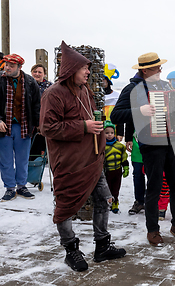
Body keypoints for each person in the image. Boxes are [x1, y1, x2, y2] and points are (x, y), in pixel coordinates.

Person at [40, 41, 125, 272]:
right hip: (69, 163)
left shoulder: (85, 91)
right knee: (66, 208)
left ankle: (102, 246)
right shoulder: (53, 94)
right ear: (70, 70)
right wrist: (83, 127)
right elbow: (48, 127)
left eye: (88, 68)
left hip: (92, 159)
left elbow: (89, 119)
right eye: (84, 68)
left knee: (104, 200)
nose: (88, 72)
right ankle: (71, 250)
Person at [110, 52, 175, 246]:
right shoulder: (132, 88)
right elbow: (116, 116)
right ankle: (152, 229)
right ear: (145, 70)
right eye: (157, 68)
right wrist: (139, 112)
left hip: (171, 142)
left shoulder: (165, 87)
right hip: (151, 144)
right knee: (153, 187)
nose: (161, 71)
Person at [0, 54, 41, 202]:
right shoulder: (0, 80)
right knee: (5, 159)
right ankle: (10, 188)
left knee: (23, 159)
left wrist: (38, 124)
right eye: (6, 65)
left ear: (19, 67)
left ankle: (22, 186)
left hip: (24, 126)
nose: (7, 68)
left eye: (11, 66)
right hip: (4, 126)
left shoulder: (30, 82)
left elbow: (37, 104)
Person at [103, 120, 130, 214]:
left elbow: (123, 158)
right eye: (106, 133)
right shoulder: (102, 147)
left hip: (117, 171)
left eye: (111, 133)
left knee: (116, 189)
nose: (109, 135)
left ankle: (115, 204)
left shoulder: (119, 146)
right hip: (107, 171)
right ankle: (106, 204)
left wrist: (126, 167)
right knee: (107, 189)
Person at [103, 76, 124, 141]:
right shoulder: (95, 96)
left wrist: (120, 133)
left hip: (113, 132)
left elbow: (120, 116)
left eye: (104, 79)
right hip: (100, 131)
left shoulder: (116, 96)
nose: (102, 81)